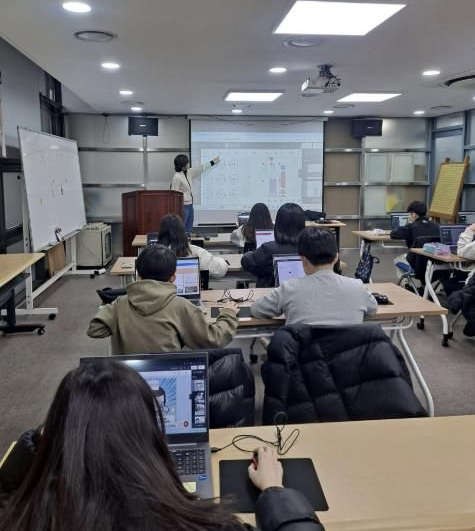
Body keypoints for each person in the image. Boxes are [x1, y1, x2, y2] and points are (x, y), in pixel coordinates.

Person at [0, 362, 323, 530]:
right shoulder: (203, 525)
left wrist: (39, 445)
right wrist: (274, 490)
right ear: (150, 430)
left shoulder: (19, 518)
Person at [87, 245, 238, 353]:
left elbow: (94, 330)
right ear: (173, 278)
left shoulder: (120, 304)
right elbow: (214, 339)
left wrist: (111, 309)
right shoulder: (182, 306)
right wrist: (228, 313)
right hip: (170, 378)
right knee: (234, 361)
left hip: (129, 380)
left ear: (138, 275)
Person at [250, 227, 377, 324]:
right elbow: (372, 309)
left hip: (304, 352)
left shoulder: (289, 289)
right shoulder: (357, 287)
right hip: (348, 352)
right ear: (336, 258)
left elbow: (256, 309)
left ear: (303, 260)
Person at [241, 203, 306, 287]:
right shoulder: (311, 248)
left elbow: (247, 262)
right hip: (305, 292)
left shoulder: (268, 248)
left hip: (271, 293)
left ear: (278, 224)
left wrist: (249, 253)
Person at [158, 213, 228, 278]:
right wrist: (221, 260)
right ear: (183, 232)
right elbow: (220, 270)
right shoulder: (197, 252)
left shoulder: (154, 257)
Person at [171, 154, 220, 234]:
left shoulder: (188, 172)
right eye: (186, 163)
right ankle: (181, 242)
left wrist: (213, 162)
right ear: (182, 165)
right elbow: (174, 195)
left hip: (190, 205)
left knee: (189, 229)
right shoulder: (176, 177)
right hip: (182, 207)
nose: (188, 164)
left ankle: (188, 241)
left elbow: (200, 168)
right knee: (181, 229)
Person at [389, 201, 439, 276]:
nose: (409, 217)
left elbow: (393, 234)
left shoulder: (411, 227)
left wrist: (408, 224)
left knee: (397, 260)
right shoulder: (436, 227)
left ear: (414, 214)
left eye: (409, 214)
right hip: (434, 265)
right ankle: (421, 283)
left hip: (417, 265)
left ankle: (406, 282)